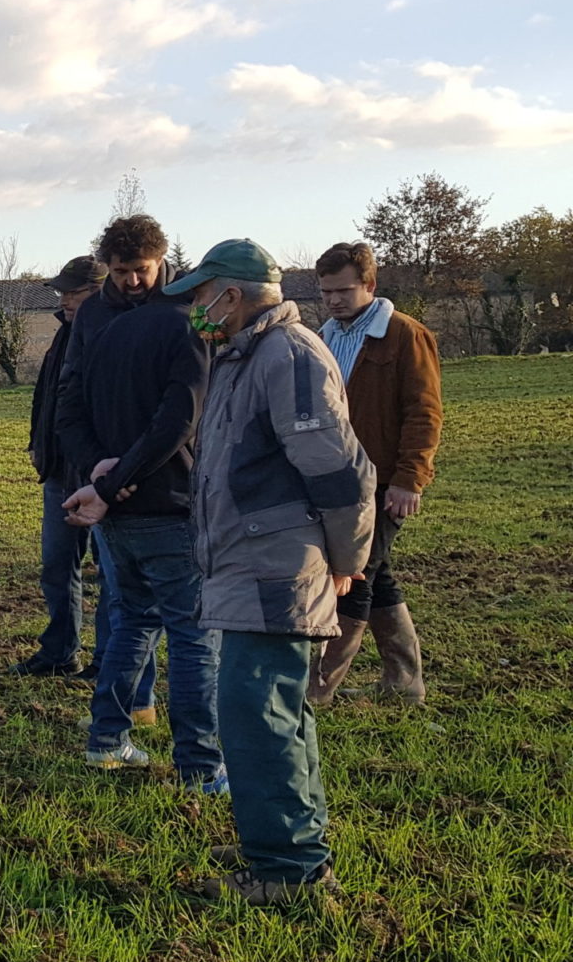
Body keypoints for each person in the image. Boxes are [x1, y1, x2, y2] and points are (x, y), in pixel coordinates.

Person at [172, 238, 375, 904]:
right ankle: (287, 843)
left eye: (201, 296)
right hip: (248, 564)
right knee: (273, 712)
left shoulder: (288, 355)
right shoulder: (241, 355)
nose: (194, 309)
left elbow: (340, 472)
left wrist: (347, 561)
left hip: (275, 570)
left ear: (232, 295)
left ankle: (287, 869)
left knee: (256, 714)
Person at [56, 214, 223, 791]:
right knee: (193, 635)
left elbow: (85, 405)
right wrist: (103, 471)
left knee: (132, 620)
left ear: (162, 260)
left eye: (141, 270)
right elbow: (177, 418)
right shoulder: (181, 318)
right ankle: (201, 767)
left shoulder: (169, 312)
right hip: (164, 500)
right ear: (107, 266)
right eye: (121, 271)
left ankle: (108, 739)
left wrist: (106, 479)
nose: (131, 281)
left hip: (113, 500)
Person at [307, 242, 442, 706]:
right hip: (336, 478)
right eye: (326, 292)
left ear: (370, 284)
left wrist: (409, 478)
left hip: (384, 481)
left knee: (356, 573)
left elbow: (424, 412)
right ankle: (404, 682)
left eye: (343, 291)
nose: (334, 300)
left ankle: (319, 688)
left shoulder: (405, 334)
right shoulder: (322, 337)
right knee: (375, 572)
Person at [12, 255, 112, 677]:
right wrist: (38, 443)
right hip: (58, 471)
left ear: (101, 290)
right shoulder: (63, 334)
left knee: (110, 574)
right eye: (62, 292)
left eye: (74, 292)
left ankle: (107, 659)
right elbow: (47, 397)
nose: (64, 300)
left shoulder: (114, 334)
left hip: (101, 475)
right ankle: (59, 652)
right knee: (56, 566)